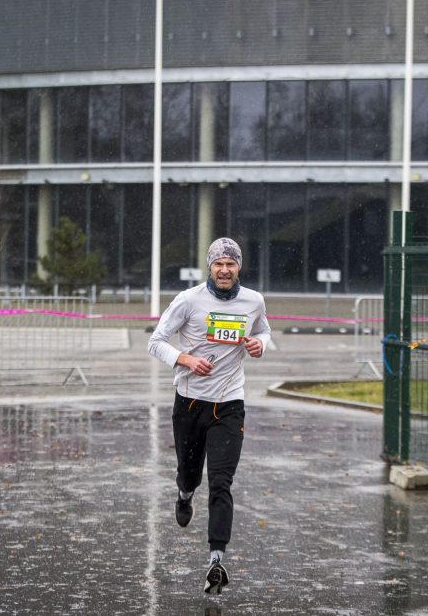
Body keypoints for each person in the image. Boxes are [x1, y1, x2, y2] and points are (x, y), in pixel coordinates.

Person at [147, 237, 271, 594]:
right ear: (210, 267)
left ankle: (217, 560)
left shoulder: (254, 301)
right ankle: (184, 494)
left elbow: (265, 330)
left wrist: (259, 344)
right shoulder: (188, 301)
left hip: (230, 405)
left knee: (221, 482)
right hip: (189, 402)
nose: (224, 270)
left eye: (231, 264)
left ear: (238, 268)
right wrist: (185, 359)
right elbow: (155, 341)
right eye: (218, 264)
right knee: (190, 474)